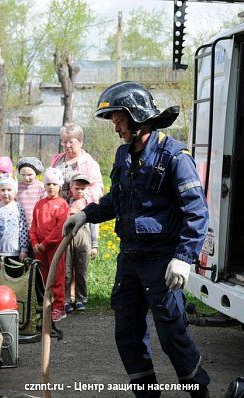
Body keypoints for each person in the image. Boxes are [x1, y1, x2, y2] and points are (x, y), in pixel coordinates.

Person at [64, 81, 211, 397]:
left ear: (137, 115)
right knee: (127, 333)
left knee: (173, 334)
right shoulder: (123, 156)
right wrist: (85, 216)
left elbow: (197, 212)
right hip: (129, 260)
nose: (115, 127)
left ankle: (199, 391)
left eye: (118, 119)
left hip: (162, 262)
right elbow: (115, 201)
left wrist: (184, 259)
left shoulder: (174, 156)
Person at [29, 167, 69, 322]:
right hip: (39, 247)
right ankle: (47, 304)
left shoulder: (62, 204)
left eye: (54, 184)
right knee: (43, 276)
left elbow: (60, 229)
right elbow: (34, 225)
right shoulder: (39, 204)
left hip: (54, 247)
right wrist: (34, 242)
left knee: (57, 276)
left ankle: (59, 307)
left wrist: (45, 243)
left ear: (59, 185)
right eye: (48, 184)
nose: (51, 187)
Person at [64, 173, 98, 314]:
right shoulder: (65, 202)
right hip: (67, 238)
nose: (79, 191)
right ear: (71, 187)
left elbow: (94, 225)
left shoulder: (89, 205)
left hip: (84, 237)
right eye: (77, 188)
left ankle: (80, 299)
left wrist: (94, 245)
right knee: (66, 271)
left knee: (81, 270)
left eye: (82, 188)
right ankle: (66, 299)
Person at [0, 177, 29, 288]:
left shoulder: (18, 208)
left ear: (15, 191)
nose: (6, 193)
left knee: (13, 278)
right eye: (2, 190)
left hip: (15, 252)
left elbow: (23, 229)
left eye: (9, 190)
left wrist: (24, 249)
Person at [50, 122, 104, 203]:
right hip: (55, 208)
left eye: (71, 142)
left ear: (80, 142)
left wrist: (83, 202)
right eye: (65, 142)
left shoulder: (89, 163)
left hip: (77, 209)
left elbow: (97, 188)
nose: (67, 145)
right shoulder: (56, 160)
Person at [16, 156, 45, 228]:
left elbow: (44, 205)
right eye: (23, 175)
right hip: (19, 223)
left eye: (30, 175)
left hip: (35, 223)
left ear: (36, 173)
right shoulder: (17, 187)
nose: (26, 178)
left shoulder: (40, 186)